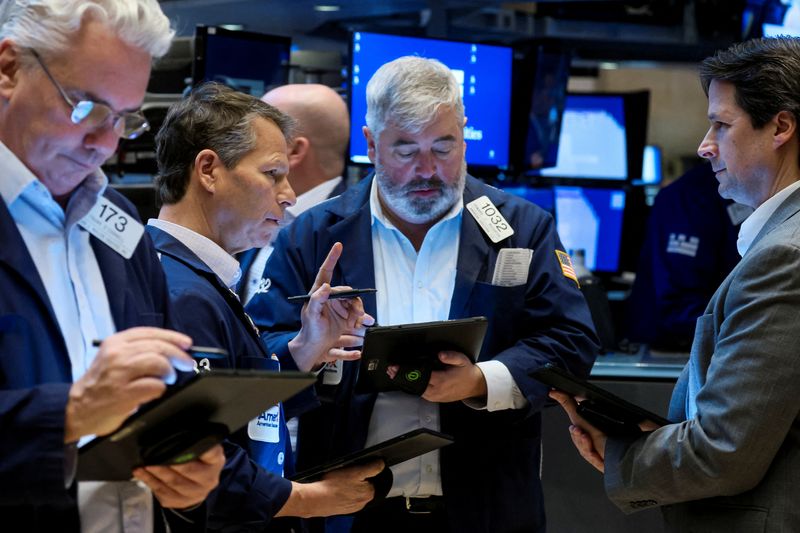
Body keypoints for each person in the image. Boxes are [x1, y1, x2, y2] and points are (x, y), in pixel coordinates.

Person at [247, 56, 599, 533]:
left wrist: (480, 380)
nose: (428, 169)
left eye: (444, 146)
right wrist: (305, 347)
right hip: (349, 513)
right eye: (406, 149)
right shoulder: (311, 235)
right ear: (371, 145)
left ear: (464, 134)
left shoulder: (520, 228)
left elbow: (571, 339)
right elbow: (254, 357)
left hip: (487, 511)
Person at [551, 36, 800, 531]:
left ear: (781, 126)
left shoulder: (784, 256)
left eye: (721, 125)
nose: (704, 146)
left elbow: (724, 452)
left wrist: (625, 453)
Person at [0, 1, 224, 531]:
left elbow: (159, 388)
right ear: (8, 69)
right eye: (86, 107)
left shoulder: (117, 219)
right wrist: (69, 416)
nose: (104, 144)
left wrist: (184, 470)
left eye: (124, 119)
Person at [148, 82, 382, 531]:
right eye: (273, 174)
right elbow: (194, 457)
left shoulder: (195, 277)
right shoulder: (180, 292)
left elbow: (237, 416)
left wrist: (305, 350)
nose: (290, 194)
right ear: (209, 170)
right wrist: (312, 500)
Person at [239, 83, 350, 306]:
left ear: (294, 151)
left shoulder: (352, 234)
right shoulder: (253, 213)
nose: (243, 147)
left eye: (253, 136)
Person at [625, 162, 746, 351]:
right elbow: (677, 307)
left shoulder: (752, 190)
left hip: (723, 340)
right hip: (672, 349)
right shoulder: (691, 195)